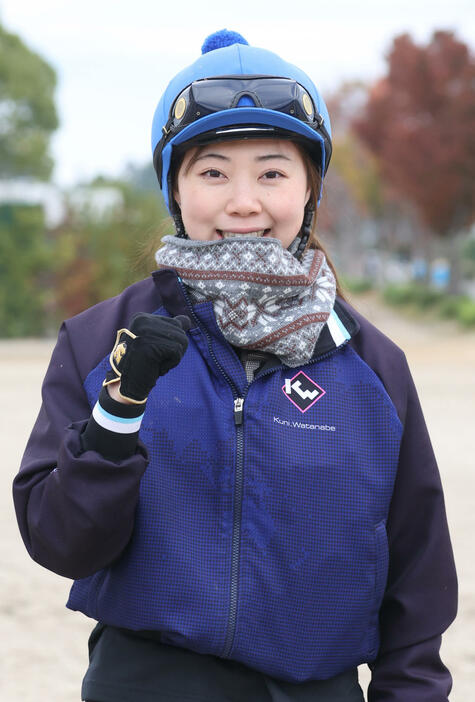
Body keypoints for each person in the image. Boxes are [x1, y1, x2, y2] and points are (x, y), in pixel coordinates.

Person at [13, 29, 457, 702]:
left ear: (309, 188)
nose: (243, 201)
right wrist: (116, 411)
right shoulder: (103, 338)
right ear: (175, 186)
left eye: (272, 171)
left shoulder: (371, 365)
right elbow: (59, 544)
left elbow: (416, 576)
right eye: (212, 170)